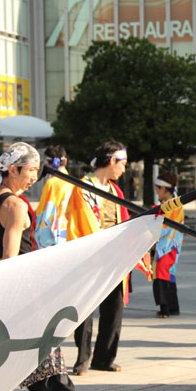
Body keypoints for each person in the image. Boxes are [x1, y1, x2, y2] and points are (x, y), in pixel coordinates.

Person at [0, 142, 107, 391]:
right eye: (31, 170)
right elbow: (11, 259)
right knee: (48, 363)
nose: (35, 176)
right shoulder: (15, 206)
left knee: (29, 363)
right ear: (13, 170)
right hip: (17, 292)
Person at [71, 142, 147, 374]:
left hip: (115, 259)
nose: (124, 169)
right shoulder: (83, 187)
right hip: (92, 258)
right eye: (122, 164)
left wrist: (134, 252)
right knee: (85, 310)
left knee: (113, 308)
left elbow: (125, 224)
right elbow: (82, 224)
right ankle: (83, 358)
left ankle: (104, 357)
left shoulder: (116, 191)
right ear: (111, 161)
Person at [153, 170, 183, 318]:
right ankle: (173, 307)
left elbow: (164, 226)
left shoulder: (170, 205)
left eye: (157, 189)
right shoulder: (174, 203)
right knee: (169, 275)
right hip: (172, 245)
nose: (157, 192)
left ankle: (165, 309)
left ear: (163, 189)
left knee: (162, 274)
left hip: (167, 246)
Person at [34, 145, 75, 249]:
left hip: (53, 232)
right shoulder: (73, 182)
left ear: (48, 163)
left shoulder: (51, 183)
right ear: (65, 161)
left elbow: (43, 211)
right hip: (68, 230)